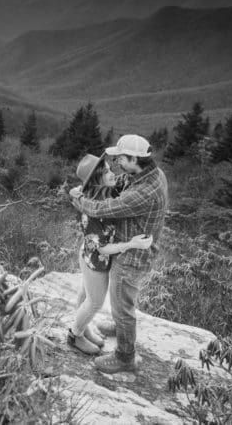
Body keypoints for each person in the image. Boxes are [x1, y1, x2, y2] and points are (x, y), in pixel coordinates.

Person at [71, 134, 168, 374]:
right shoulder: (152, 174)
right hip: (130, 250)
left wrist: (79, 199)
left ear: (135, 159)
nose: (117, 165)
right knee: (114, 302)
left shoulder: (143, 192)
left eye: (121, 158)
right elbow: (121, 182)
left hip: (132, 257)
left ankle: (125, 357)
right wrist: (89, 187)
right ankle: (111, 328)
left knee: (122, 307)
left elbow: (103, 208)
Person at [64, 153, 155, 355]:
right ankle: (74, 334)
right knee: (95, 301)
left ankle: (83, 327)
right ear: (97, 180)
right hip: (96, 259)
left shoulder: (110, 192)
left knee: (86, 294)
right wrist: (131, 244)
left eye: (109, 167)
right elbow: (102, 248)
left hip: (90, 254)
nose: (112, 172)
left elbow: (130, 184)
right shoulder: (91, 212)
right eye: (105, 171)